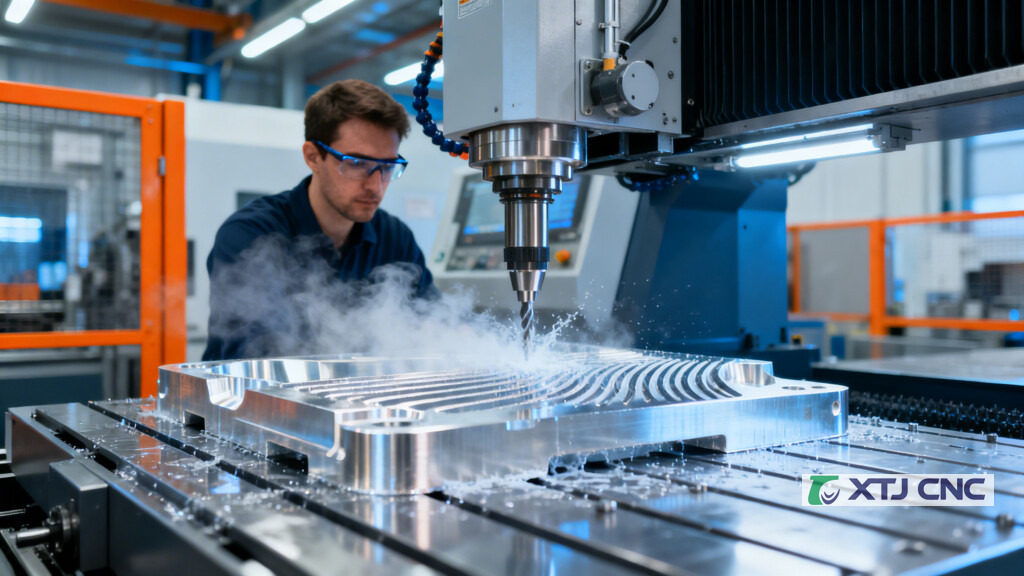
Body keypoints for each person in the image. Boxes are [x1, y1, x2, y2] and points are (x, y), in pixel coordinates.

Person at [202, 79, 436, 361]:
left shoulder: (395, 239)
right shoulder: (251, 235)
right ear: (313, 157)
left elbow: (432, 323)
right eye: (356, 164)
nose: (376, 186)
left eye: (387, 167)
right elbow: (254, 357)